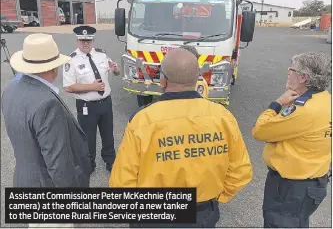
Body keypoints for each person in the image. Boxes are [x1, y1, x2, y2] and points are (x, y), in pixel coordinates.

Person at [109, 48, 253, 228]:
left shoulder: (143, 121)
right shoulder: (223, 117)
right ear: (197, 79)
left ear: (163, 79)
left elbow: (122, 181)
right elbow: (241, 170)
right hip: (202, 215)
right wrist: (216, 197)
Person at [2, 33, 91, 227]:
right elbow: (58, 164)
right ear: (53, 67)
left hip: (26, 180)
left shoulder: (11, 87)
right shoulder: (47, 103)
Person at [252, 52, 332, 228]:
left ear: (303, 77)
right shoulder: (325, 99)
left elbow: (260, 131)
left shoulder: (304, 111)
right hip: (313, 181)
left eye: (292, 68)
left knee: (281, 223)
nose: (288, 71)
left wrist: (278, 103)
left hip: (291, 188)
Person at [63, 25, 120, 174]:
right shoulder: (71, 60)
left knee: (108, 134)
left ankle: (110, 161)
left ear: (93, 40)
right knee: (88, 137)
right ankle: (89, 164)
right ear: (77, 40)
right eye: (82, 40)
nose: (85, 43)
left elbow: (114, 70)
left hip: (105, 103)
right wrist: (92, 87)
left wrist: (116, 69)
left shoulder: (101, 55)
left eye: (88, 40)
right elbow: (68, 87)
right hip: (86, 105)